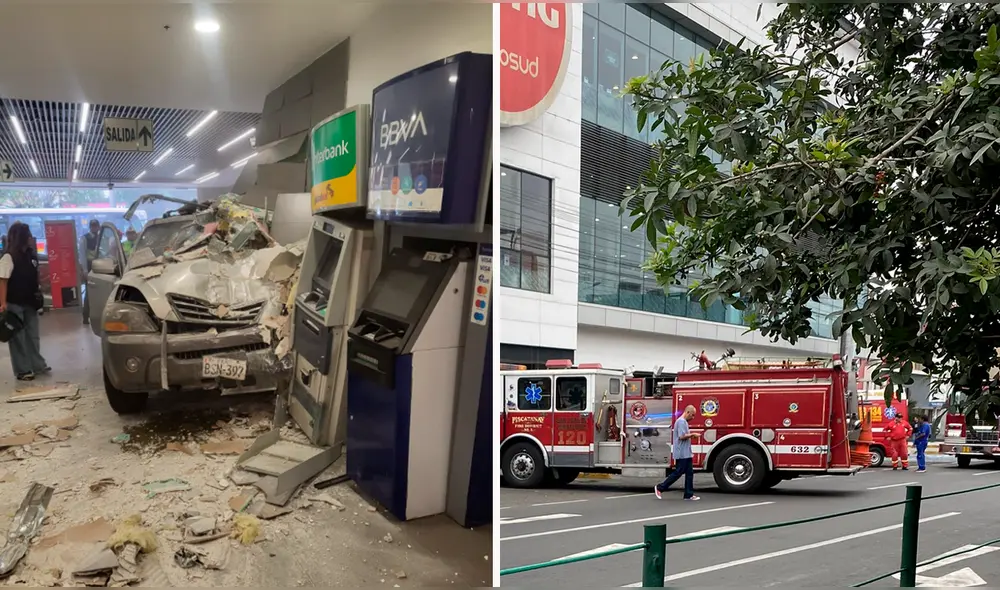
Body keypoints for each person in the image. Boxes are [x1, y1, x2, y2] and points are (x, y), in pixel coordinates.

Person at [0, 222, 50, 381]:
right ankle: (23, 369)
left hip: (30, 301)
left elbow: (34, 275)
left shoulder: (31, 255)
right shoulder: (8, 257)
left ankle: (37, 364)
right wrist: (2, 303)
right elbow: (3, 281)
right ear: (21, 237)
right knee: (18, 338)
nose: (31, 238)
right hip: (14, 302)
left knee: (33, 335)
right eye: (28, 235)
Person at [654, 405, 700, 501]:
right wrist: (693, 435)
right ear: (687, 412)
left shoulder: (683, 422)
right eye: (692, 415)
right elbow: (681, 436)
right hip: (681, 452)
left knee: (689, 473)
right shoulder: (681, 422)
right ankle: (660, 487)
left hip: (686, 452)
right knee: (679, 472)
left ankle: (688, 494)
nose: (693, 417)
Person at [80, 219, 100, 325]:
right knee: (88, 292)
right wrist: (85, 270)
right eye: (93, 226)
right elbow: (82, 255)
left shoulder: (101, 237)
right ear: (90, 227)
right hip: (89, 267)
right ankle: (85, 316)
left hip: (100, 266)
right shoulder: (85, 238)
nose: (95, 228)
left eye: (96, 226)